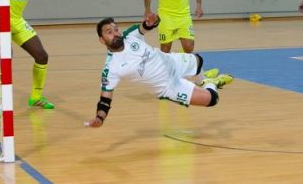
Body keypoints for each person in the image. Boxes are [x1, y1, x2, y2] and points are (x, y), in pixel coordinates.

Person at [85, 14, 234, 128]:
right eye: (109, 32)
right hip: (168, 87)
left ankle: (203, 80)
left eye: (116, 29)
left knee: (198, 60)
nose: (116, 33)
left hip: (172, 62)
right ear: (102, 40)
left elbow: (147, 26)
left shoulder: (130, 36)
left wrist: (153, 21)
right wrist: (100, 118)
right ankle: (212, 83)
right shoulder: (111, 68)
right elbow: (105, 100)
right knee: (213, 99)